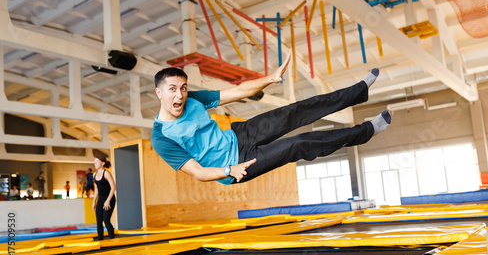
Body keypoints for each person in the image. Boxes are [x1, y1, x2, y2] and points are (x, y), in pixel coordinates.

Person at [151, 54, 391, 185]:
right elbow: (198, 173)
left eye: (183, 88)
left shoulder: (193, 99)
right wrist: (229, 169)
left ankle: (359, 91)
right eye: (172, 89)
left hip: (239, 135)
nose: (180, 94)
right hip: (236, 163)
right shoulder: (161, 137)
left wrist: (270, 77)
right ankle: (367, 131)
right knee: (298, 144)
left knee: (293, 111)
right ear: (159, 92)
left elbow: (237, 91)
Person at [92, 155, 116, 241]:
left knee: (106, 220)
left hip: (110, 198)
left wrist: (108, 201)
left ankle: (112, 240)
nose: (95, 164)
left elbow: (113, 187)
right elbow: (96, 190)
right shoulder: (94, 174)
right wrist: (94, 201)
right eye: (94, 162)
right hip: (101, 199)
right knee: (99, 221)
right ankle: (100, 240)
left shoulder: (106, 173)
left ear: (102, 163)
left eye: (97, 162)